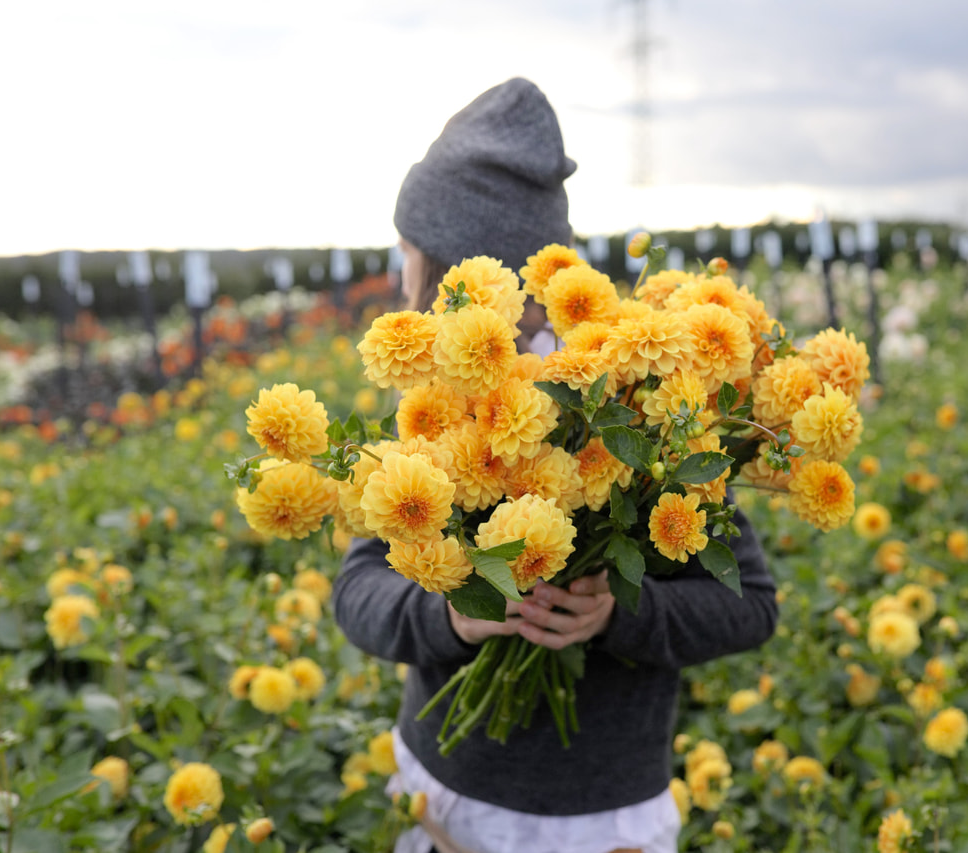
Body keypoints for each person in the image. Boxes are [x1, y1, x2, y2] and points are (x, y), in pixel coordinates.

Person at [332, 77, 778, 853]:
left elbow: (751, 605)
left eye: (408, 251)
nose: (402, 275)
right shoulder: (429, 403)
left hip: (600, 818)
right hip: (445, 793)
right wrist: (450, 615)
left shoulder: (641, 400)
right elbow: (358, 589)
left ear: (449, 268)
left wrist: (619, 615)